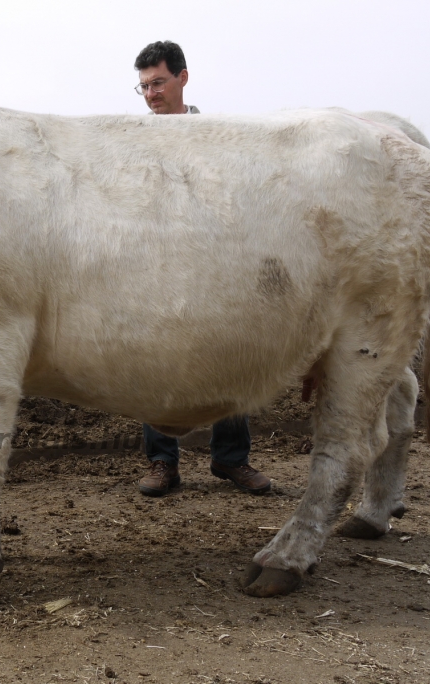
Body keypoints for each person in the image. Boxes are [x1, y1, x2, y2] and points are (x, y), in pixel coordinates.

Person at [132, 40, 272, 497]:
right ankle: (161, 463)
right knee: (154, 361)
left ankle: (231, 460)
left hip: (213, 264)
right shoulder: (132, 141)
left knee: (227, 354)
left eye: (158, 82)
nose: (151, 93)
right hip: (157, 265)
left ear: (182, 78)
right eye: (144, 86)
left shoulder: (216, 136)